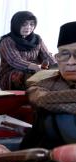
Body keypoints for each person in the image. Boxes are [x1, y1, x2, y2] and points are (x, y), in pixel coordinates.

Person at [20, 21, 76, 149]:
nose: (70, 62)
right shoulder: (43, 84)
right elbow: (41, 99)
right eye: (64, 54)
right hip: (47, 158)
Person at [0, 11, 56, 90]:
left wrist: (58, 67)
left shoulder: (37, 39)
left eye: (31, 24)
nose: (28, 27)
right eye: (24, 24)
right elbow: (15, 61)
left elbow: (47, 55)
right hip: (12, 74)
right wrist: (35, 67)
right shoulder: (7, 41)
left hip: (37, 71)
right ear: (16, 24)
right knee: (24, 75)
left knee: (56, 75)